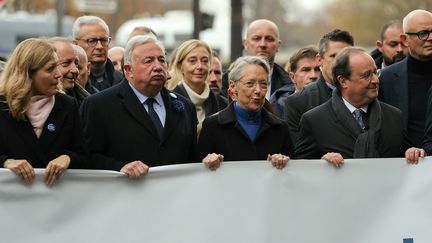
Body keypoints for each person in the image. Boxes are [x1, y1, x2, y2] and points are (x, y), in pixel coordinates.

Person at [80, 35, 198, 178]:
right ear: (128, 70)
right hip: (124, 195)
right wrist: (119, 168)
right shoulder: (98, 106)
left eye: (162, 60)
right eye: (149, 61)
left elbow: (191, 158)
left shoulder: (185, 107)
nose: (158, 67)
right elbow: (86, 156)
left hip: (174, 195)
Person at [295, 47, 424, 166]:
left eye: (375, 73)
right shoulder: (315, 120)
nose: (376, 80)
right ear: (343, 81)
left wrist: (413, 153)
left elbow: (405, 159)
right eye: (367, 75)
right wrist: (322, 163)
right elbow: (302, 169)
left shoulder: (394, 116)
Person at [0, 38, 88, 185]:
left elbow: (84, 155)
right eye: (50, 69)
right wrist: (6, 162)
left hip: (57, 202)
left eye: (57, 66)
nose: (58, 74)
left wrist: (68, 158)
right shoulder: (2, 105)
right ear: (27, 74)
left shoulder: (67, 105)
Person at [198, 56, 293, 171]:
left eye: (263, 84)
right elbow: (199, 172)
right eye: (250, 83)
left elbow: (292, 172)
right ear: (232, 87)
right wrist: (209, 161)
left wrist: (283, 161)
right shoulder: (213, 126)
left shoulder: (280, 128)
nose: (258, 90)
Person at [283, 29, 354, 144]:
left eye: (345, 56)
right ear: (319, 59)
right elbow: (298, 151)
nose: (340, 62)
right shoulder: (298, 102)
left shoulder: (368, 93)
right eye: (333, 56)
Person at [379, 9, 432, 148]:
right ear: (405, 40)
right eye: (423, 33)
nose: (431, 37)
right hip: (401, 164)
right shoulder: (386, 79)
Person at [221, 19, 293, 99]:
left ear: (278, 45)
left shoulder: (291, 84)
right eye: (256, 38)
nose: (263, 44)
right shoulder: (223, 83)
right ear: (245, 44)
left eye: (269, 39)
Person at [168, 39, 227, 134]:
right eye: (192, 61)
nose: (199, 66)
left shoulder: (223, 104)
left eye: (204, 61)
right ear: (180, 67)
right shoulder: (168, 102)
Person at [73, 15, 123, 92]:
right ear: (76, 44)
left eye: (104, 40)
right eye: (92, 41)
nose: (99, 47)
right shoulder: (70, 81)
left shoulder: (123, 80)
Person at [270, 46, 321, 118]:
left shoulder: (335, 102)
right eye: (305, 70)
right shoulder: (277, 107)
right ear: (292, 77)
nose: (313, 76)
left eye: (318, 69)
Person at [49, 37, 90, 106]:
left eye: (76, 64)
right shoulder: (26, 104)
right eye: (66, 63)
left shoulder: (88, 104)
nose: (75, 70)